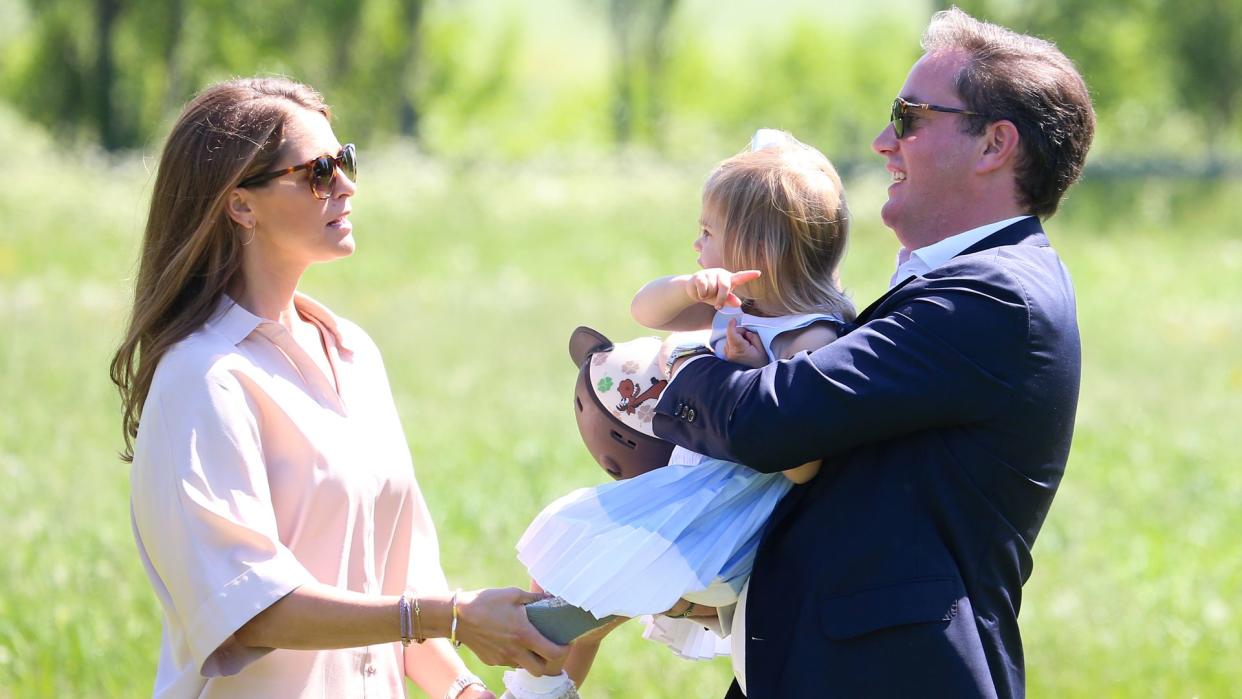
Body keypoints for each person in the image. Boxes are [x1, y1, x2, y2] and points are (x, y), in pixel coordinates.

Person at [656, 8, 1096, 699]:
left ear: (994, 145)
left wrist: (669, 370)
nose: (883, 141)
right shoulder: (976, 281)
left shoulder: (993, 297)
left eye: (910, 117)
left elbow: (770, 419)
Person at [109, 77, 565, 699]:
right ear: (241, 205)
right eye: (318, 171)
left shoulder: (353, 353)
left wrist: (462, 691)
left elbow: (397, 579)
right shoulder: (203, 379)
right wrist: (451, 616)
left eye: (344, 160)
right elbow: (253, 610)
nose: (347, 185)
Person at [508, 130, 855, 695]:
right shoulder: (734, 303)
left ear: (758, 250)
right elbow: (642, 310)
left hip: (725, 512)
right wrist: (691, 287)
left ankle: (534, 692)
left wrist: (750, 376)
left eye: (707, 232)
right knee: (568, 581)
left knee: (580, 576)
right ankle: (545, 691)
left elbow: (804, 465)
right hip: (686, 488)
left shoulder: (808, 338)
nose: (697, 243)